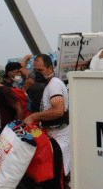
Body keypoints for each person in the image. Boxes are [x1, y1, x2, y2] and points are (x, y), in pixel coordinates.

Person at [24, 54, 70, 188]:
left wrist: (34, 117)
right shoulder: (49, 85)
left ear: (50, 68)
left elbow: (58, 110)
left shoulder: (54, 85)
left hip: (60, 142)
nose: (37, 74)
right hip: (54, 139)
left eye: (40, 70)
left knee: (57, 182)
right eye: (35, 71)